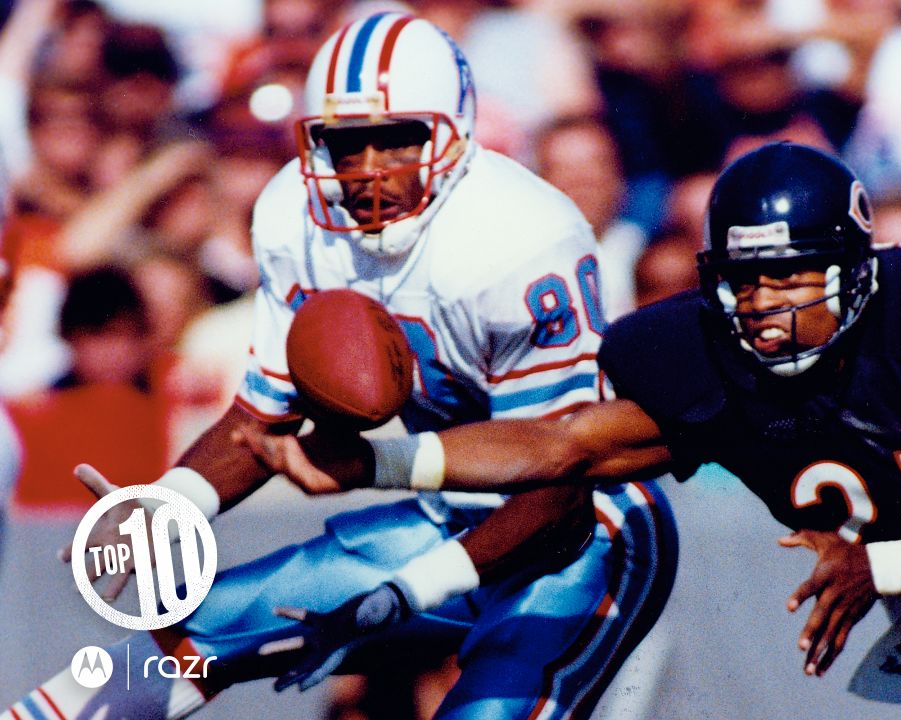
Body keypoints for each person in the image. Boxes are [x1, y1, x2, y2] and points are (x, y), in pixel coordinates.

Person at [244, 143, 901, 719]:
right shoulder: (702, 361)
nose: (766, 302)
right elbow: (563, 447)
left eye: (790, 275)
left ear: (853, 270)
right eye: (746, 278)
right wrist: (378, 458)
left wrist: (884, 568)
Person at [1, 13, 675, 720]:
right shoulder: (297, 217)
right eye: (348, 146)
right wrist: (169, 508)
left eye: (397, 140)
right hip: (448, 516)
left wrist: (415, 591)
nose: (370, 171)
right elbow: (263, 418)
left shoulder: (519, 239)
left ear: (452, 135)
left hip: (583, 535)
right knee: (182, 641)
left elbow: (557, 476)